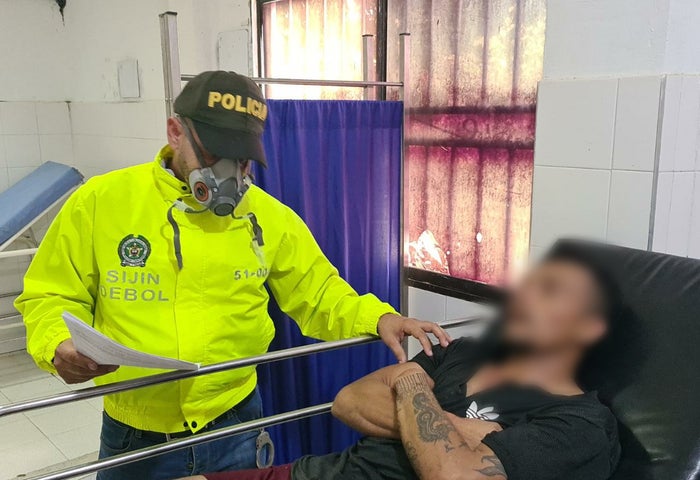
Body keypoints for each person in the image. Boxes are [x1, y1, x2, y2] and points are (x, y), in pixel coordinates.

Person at [14, 70, 450, 480]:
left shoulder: (269, 217)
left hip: (235, 423)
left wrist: (379, 317)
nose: (230, 172)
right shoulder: (101, 202)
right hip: (136, 430)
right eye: (215, 154)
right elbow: (50, 294)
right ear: (175, 132)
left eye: (242, 159)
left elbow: (318, 293)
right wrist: (58, 344)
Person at [183, 249, 622, 480]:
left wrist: (408, 383)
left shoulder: (581, 424)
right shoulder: (464, 350)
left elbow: (451, 475)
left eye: (551, 293)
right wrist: (457, 432)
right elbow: (348, 402)